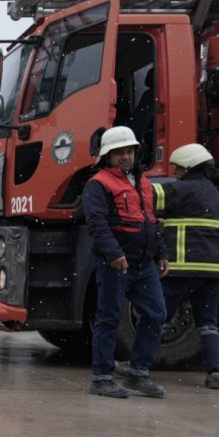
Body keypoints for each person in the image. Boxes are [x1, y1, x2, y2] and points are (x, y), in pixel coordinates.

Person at [83, 125, 169, 399]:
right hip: (116, 264)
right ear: (107, 156)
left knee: (156, 315)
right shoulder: (98, 184)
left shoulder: (143, 183)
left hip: (143, 265)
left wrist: (161, 253)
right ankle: (101, 379)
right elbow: (97, 224)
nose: (126, 157)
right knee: (109, 318)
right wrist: (114, 254)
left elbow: (153, 221)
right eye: (119, 152)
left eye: (130, 151)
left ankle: (137, 374)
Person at [155, 143, 219, 389]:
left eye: (176, 169)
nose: (174, 173)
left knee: (157, 317)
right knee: (208, 323)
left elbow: (149, 198)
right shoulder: (216, 196)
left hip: (182, 268)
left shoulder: (182, 190)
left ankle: (138, 364)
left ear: (188, 167)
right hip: (213, 271)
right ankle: (215, 372)